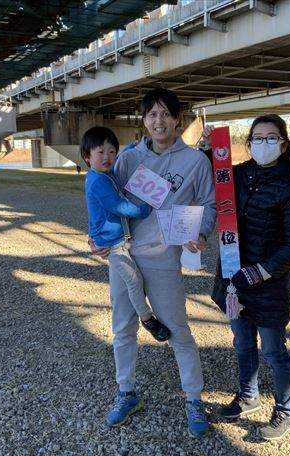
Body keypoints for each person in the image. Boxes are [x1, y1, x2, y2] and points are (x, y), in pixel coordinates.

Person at [90, 88, 216, 437]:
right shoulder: (128, 159)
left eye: (165, 114)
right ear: (144, 120)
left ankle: (193, 398)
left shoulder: (195, 162)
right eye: (152, 115)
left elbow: (209, 203)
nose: (159, 121)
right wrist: (94, 236)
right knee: (122, 329)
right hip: (123, 255)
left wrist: (202, 232)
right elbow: (103, 197)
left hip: (164, 258)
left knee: (178, 330)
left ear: (177, 119)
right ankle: (126, 392)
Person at [209, 114, 290, 441]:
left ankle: (285, 410)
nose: (263, 143)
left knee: (273, 351)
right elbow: (209, 179)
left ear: (283, 144)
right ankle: (248, 395)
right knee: (242, 343)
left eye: (271, 137)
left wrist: (259, 272)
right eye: (257, 138)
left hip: (268, 286)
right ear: (249, 143)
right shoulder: (238, 174)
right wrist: (208, 149)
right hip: (233, 281)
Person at [83, 126, 171, 347]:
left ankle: (136, 319)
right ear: (87, 157)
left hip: (114, 240)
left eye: (111, 152)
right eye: (100, 152)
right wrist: (144, 209)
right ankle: (147, 318)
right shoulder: (98, 181)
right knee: (134, 280)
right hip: (111, 245)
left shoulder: (103, 174)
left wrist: (132, 147)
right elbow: (119, 206)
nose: (107, 157)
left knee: (128, 282)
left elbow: (116, 163)